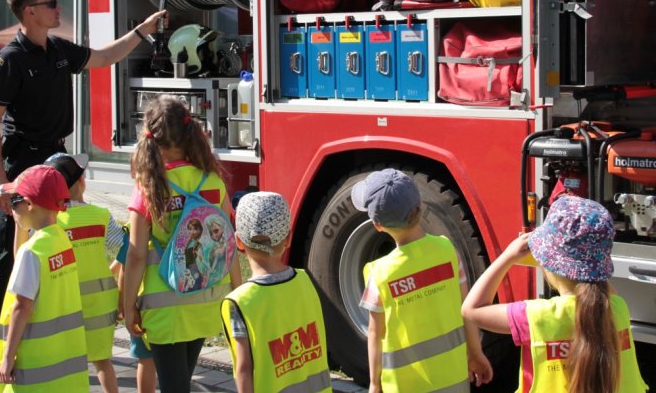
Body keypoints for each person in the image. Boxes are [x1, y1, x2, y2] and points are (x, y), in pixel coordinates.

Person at [0, 0, 167, 381]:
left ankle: (58, 322)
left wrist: (140, 32)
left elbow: (102, 57)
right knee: (9, 253)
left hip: (55, 157)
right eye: (50, 3)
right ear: (29, 12)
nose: (58, 8)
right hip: (23, 165)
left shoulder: (59, 49)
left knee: (57, 240)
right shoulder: (9, 60)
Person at [462, 196, 648, 393]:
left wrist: (506, 257)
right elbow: (599, 284)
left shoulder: (536, 317)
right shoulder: (618, 308)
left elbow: (471, 309)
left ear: (547, 264)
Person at [123, 94, 242, 393]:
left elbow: (136, 255)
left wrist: (128, 307)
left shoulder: (150, 188)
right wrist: (237, 296)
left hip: (166, 309)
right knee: (180, 385)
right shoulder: (213, 181)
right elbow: (229, 242)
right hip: (205, 302)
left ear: (150, 138)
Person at [353, 168, 493, 393]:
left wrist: (375, 383)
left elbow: (375, 335)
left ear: (377, 225)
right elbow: (466, 309)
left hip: (404, 386)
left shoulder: (379, 274)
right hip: (454, 381)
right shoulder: (447, 250)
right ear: (420, 208)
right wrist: (475, 354)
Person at [221, 192, 332, 393]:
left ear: (238, 242)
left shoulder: (240, 302)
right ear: (288, 239)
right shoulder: (306, 281)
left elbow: (244, 369)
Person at [0, 164, 89, 391]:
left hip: (33, 363)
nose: (11, 209)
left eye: (14, 201)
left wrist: (7, 357)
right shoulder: (60, 240)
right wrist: (20, 225)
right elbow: (24, 266)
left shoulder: (32, 251)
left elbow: (21, 307)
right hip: (62, 356)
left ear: (29, 204)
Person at [38, 152, 123, 392]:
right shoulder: (101, 216)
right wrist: (113, 268)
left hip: (61, 304)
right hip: (100, 304)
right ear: (83, 181)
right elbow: (128, 248)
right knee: (103, 362)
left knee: (67, 364)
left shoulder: (51, 222)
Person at [113, 229, 157, 393]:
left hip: (140, 304)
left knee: (146, 359)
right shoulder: (178, 216)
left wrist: (123, 303)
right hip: (172, 302)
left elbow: (126, 267)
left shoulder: (134, 226)